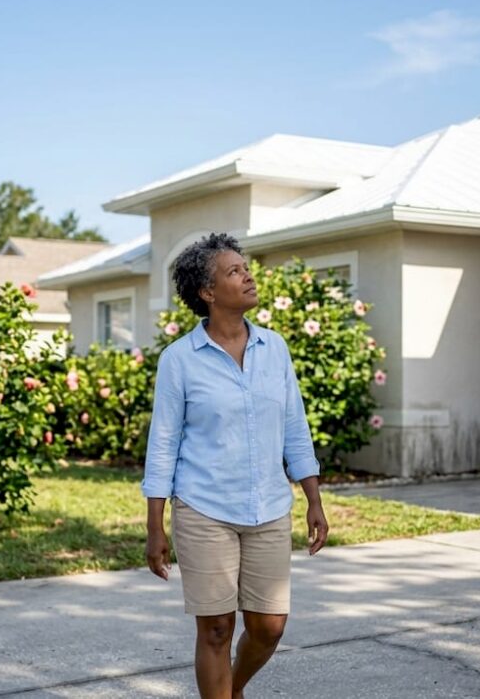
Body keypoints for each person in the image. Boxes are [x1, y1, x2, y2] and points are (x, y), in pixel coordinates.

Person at [143, 232, 329, 699]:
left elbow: (295, 427)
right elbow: (162, 444)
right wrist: (155, 526)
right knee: (216, 629)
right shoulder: (179, 361)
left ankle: (231, 688)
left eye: (245, 268)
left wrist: (313, 499)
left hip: (268, 505)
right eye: (234, 271)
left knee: (269, 626)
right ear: (207, 292)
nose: (247, 276)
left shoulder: (276, 349)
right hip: (204, 508)